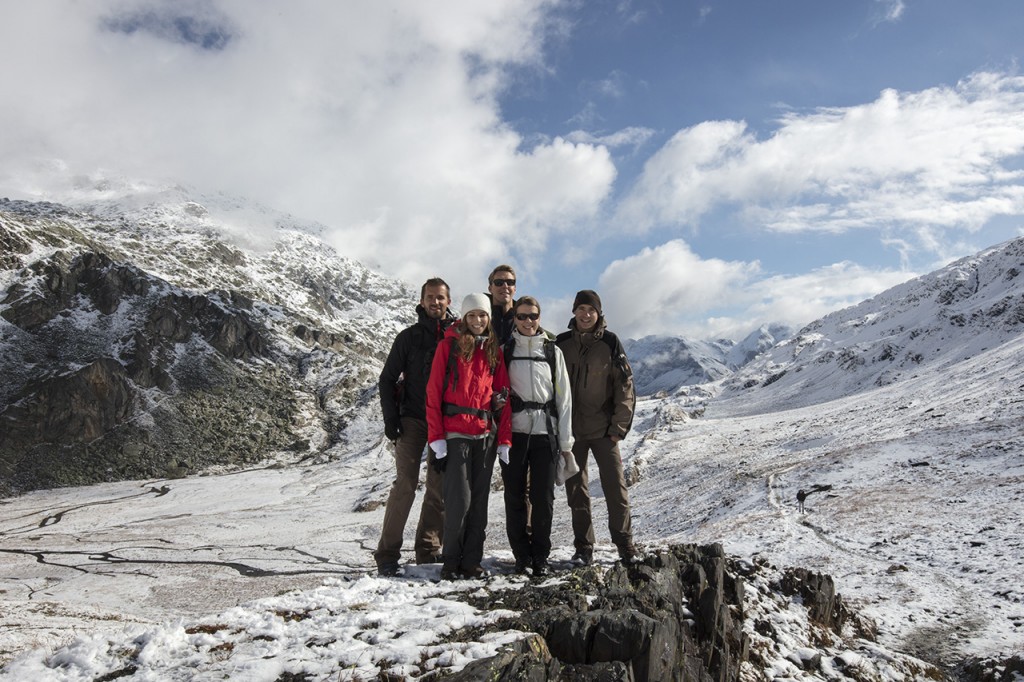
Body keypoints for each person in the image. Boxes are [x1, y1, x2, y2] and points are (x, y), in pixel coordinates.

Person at [426, 293, 512, 580]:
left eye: (483, 315)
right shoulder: (448, 347)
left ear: (489, 318)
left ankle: (472, 561)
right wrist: (436, 436)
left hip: (485, 436)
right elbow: (433, 392)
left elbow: (504, 395)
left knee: (479, 502)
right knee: (458, 502)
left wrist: (504, 439)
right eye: (472, 315)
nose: (478, 320)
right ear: (464, 317)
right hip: (455, 435)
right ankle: (451, 561)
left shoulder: (493, 350)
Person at [373, 278, 456, 577]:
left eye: (441, 297)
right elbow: (386, 379)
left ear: (449, 300)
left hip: (444, 423)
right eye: (430, 297)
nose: (436, 302)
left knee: (439, 489)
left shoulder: (457, 336)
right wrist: (391, 420)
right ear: (422, 301)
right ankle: (387, 554)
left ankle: (429, 550)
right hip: (412, 419)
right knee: (405, 486)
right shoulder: (408, 337)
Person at [555, 289, 638, 565]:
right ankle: (583, 547)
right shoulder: (561, 343)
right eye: (581, 309)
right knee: (576, 491)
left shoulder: (611, 343)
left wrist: (618, 426)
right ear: (574, 312)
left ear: (599, 313)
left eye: (591, 310)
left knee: (616, 488)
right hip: (571, 433)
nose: (586, 314)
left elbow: (624, 386)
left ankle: (625, 544)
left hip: (604, 431)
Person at [500, 296, 574, 577]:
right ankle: (521, 557)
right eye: (521, 316)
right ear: (514, 319)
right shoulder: (505, 350)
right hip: (515, 433)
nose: (528, 322)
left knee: (544, 499)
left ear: (539, 318)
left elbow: (564, 398)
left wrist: (565, 442)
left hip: (546, 433)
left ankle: (540, 556)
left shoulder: (553, 352)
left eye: (532, 316)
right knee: (514, 497)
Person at [487, 264, 518, 344]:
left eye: (510, 282)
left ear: (515, 288)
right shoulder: (479, 316)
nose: (505, 286)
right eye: (499, 282)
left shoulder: (525, 318)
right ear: (490, 288)